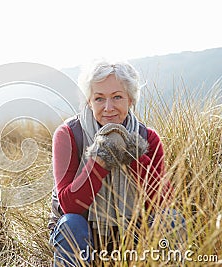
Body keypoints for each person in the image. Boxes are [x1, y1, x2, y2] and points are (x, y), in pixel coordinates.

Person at [48, 61, 181, 266]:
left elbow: (163, 201)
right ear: (89, 102)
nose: (108, 108)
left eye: (117, 97)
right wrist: (100, 159)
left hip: (135, 234)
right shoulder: (68, 135)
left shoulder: (148, 137)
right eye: (99, 98)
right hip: (85, 234)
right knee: (70, 223)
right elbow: (69, 206)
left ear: (130, 99)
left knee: (171, 219)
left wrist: (131, 153)